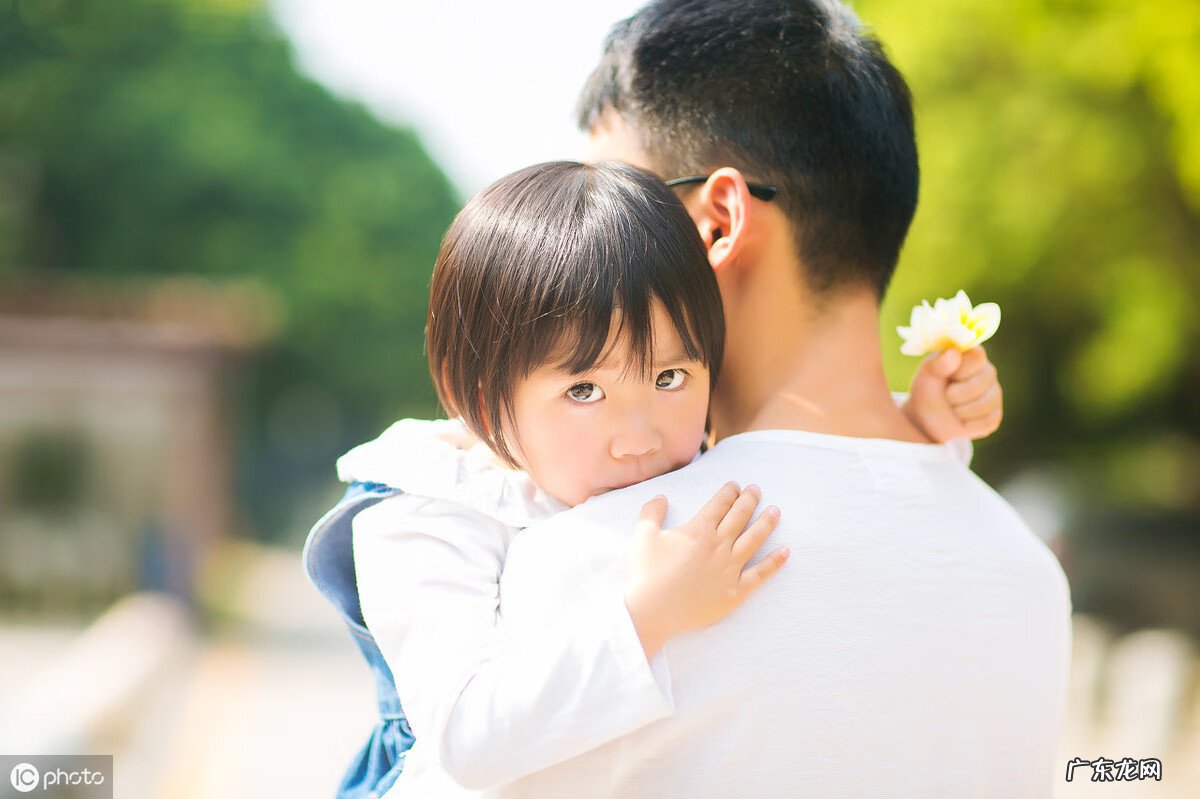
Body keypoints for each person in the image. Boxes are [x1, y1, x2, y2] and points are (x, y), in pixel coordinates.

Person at [472, 0, 1071, 796]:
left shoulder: (605, 564)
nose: (587, 255)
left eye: (622, 208)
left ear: (718, 220)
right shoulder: (1027, 576)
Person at [305, 160, 1000, 797]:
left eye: (669, 377)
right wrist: (647, 615)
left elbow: (817, 473)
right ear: (485, 404)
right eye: (584, 390)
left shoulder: (677, 454)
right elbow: (468, 738)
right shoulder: (425, 512)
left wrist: (919, 422)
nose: (638, 436)